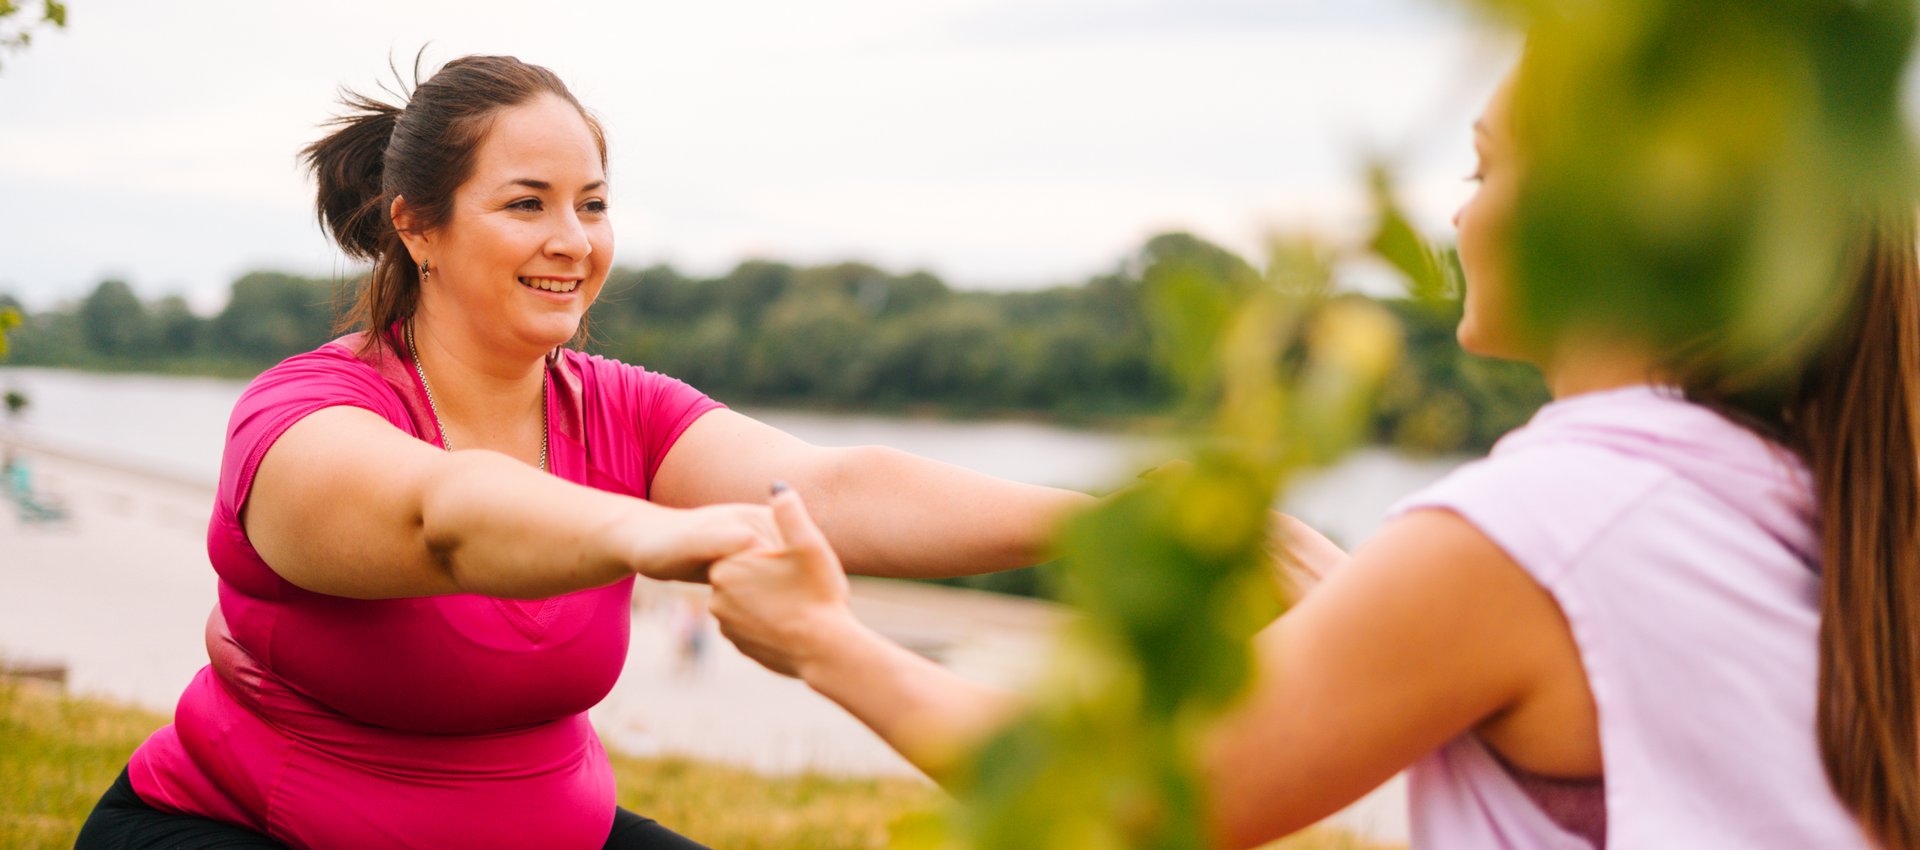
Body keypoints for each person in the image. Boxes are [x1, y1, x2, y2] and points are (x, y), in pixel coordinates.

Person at [704, 68, 1918, 849]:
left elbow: (1131, 802)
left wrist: (824, 639)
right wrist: (1342, 584)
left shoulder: (1551, 520)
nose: (1454, 211)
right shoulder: (1793, 479)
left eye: (1487, 170)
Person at [74, 55, 1087, 850]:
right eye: (528, 203)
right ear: (418, 227)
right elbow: (445, 518)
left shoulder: (621, 409)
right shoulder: (305, 415)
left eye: (592, 203)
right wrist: (660, 532)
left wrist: (1121, 521)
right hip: (232, 832)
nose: (574, 240)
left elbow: (837, 487)